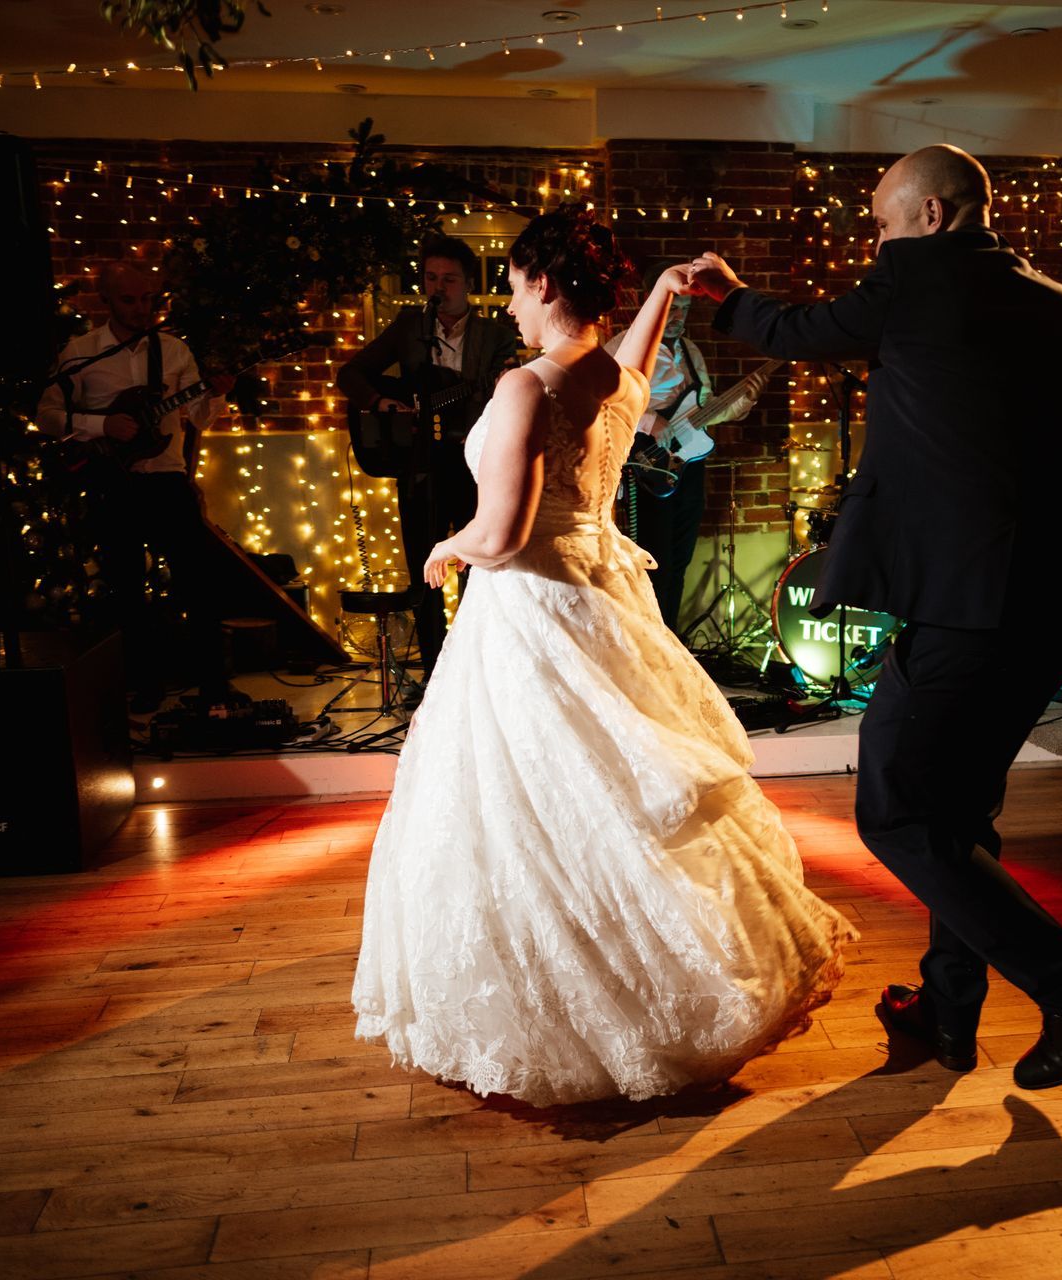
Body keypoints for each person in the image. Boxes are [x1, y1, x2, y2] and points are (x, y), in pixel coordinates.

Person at [350, 208, 855, 1107]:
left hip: (535, 608)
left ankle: (574, 1007)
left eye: (509, 283)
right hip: (601, 593)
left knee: (529, 807)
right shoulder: (614, 384)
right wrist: (665, 292)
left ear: (542, 283)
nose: (505, 302)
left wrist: (448, 546)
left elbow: (503, 534)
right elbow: (633, 362)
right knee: (611, 796)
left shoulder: (525, 386)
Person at [688, 144, 1062, 1091]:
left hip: (964, 610)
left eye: (885, 222)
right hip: (1053, 601)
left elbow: (798, 330)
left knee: (895, 812)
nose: (878, 238)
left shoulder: (916, 276)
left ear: (932, 218)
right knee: (961, 812)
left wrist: (727, 294)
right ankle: (947, 1010)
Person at [36, 261, 230, 712]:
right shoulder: (81, 353)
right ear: (106, 300)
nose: (141, 308)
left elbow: (200, 416)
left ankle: (213, 686)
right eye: (130, 300)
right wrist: (102, 424)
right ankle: (145, 685)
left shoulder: (174, 350)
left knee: (197, 584)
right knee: (126, 590)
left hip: (166, 478)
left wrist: (217, 392)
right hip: (110, 482)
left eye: (147, 299)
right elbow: (46, 415)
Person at [337, 234, 517, 674]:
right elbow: (352, 373)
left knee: (482, 566)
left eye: (449, 279)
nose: (439, 287)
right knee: (425, 566)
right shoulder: (409, 328)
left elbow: (507, 392)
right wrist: (383, 405)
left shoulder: (495, 335)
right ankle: (436, 670)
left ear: (467, 284)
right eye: (431, 277)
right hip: (420, 465)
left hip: (477, 467)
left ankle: (482, 666)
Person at [604, 261, 770, 633]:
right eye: (672, 307)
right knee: (653, 561)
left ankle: (673, 641)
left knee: (680, 560)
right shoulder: (624, 346)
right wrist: (650, 420)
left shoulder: (691, 352)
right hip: (644, 465)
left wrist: (739, 405)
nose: (678, 316)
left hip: (687, 464)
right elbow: (605, 402)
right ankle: (647, 644)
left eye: (685, 309)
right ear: (653, 302)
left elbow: (702, 412)